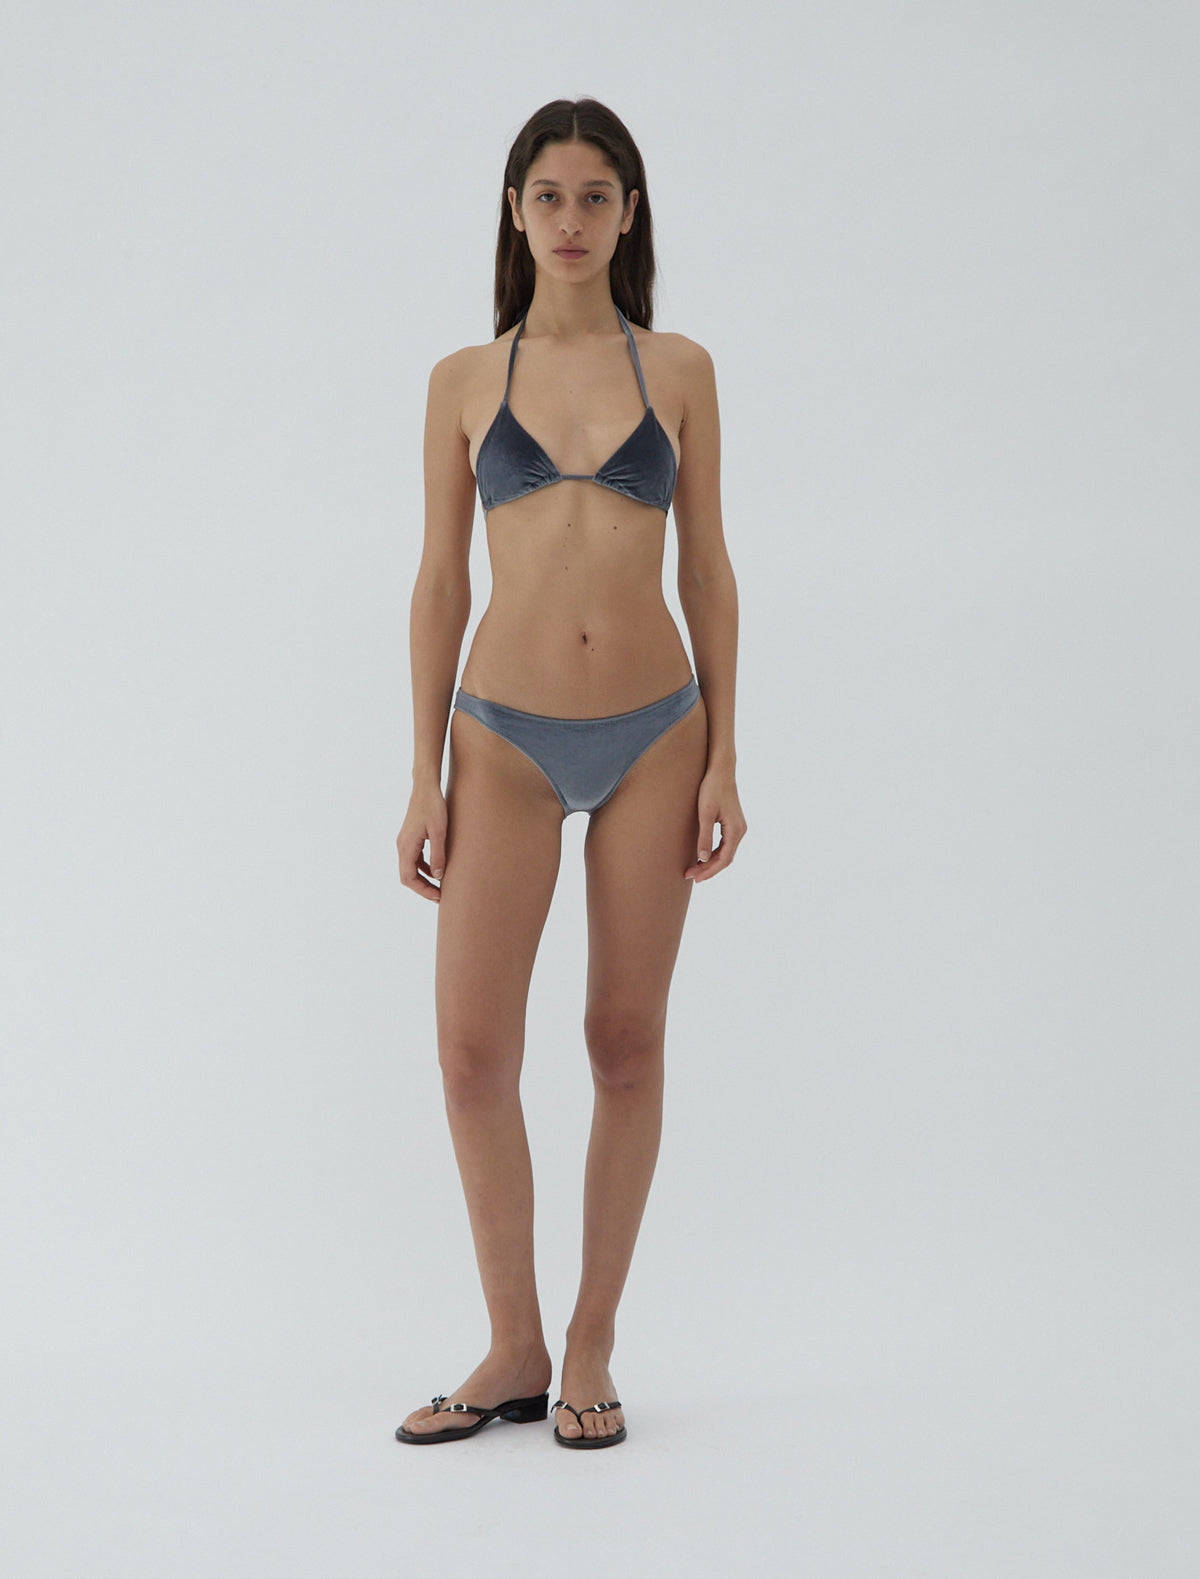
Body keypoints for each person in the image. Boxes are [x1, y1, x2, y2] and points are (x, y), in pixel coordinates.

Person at [394, 98, 745, 1449]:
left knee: (623, 1041)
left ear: (630, 213)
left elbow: (708, 569)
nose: (572, 220)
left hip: (656, 733)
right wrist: (421, 775)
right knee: (472, 1053)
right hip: (501, 738)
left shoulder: (683, 370)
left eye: (598, 196)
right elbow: (439, 582)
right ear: (515, 211)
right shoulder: (463, 382)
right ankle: (513, 1347)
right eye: (548, 195)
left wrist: (726, 749)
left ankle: (591, 1342)